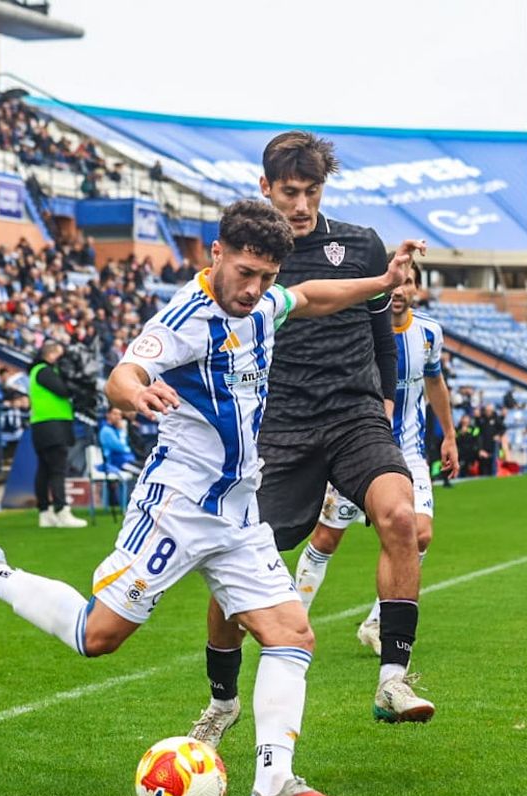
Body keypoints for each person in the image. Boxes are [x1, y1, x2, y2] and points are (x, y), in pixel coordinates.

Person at [0, 200, 424, 796]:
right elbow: (124, 371)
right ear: (216, 254)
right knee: (97, 638)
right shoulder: (187, 314)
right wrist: (137, 393)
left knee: (291, 635)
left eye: (265, 278)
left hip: (238, 510)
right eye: (244, 273)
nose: (253, 290)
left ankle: (272, 783)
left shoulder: (264, 304)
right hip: (176, 504)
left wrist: (384, 283)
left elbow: (309, 296)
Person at [192, 132, 434, 740]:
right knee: (235, 562)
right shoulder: (250, 258)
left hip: (354, 418)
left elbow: (381, 320)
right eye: (289, 192)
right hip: (279, 430)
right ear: (265, 188)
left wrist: (384, 396)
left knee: (402, 518)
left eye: (312, 192)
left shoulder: (359, 244)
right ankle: (222, 702)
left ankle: (393, 679)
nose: (301, 206)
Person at [286, 263, 459, 657]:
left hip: (409, 452)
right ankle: (293, 621)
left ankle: (377, 623)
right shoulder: (361, 327)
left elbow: (435, 383)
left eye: (408, 283)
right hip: (357, 448)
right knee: (327, 539)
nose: (400, 289)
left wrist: (449, 435)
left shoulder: (429, 333)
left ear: (416, 290)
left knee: (420, 534)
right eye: (395, 281)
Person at [28, 341, 86, 529]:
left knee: (45, 469)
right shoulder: (44, 371)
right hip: (52, 425)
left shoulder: (37, 371)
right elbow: (63, 390)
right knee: (57, 469)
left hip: (44, 425)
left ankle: (45, 513)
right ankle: (61, 510)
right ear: (51, 355)